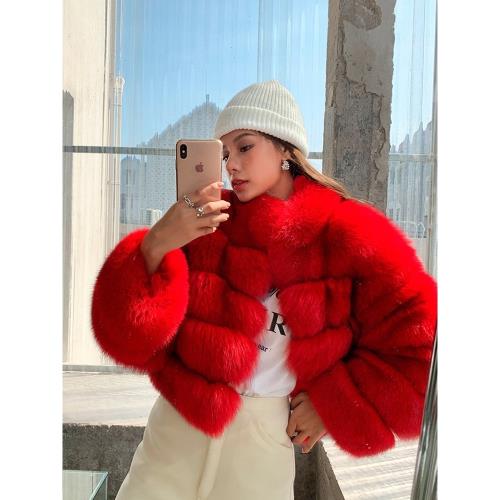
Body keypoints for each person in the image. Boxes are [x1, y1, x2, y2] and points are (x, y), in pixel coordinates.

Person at [91, 80, 437, 500]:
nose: (231, 165)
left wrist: (335, 405)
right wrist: (157, 243)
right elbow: (128, 339)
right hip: (172, 442)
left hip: (261, 453)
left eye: (245, 147)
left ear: (286, 149)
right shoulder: (207, 224)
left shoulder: (348, 234)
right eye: (224, 154)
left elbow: (421, 346)